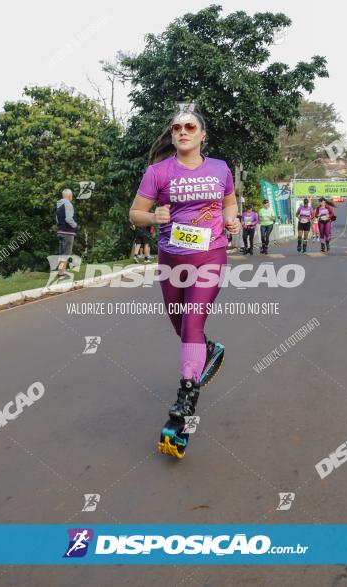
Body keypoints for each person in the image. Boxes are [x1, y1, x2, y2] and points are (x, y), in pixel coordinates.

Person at [128, 104, 236, 457]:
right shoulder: (157, 173)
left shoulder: (220, 169)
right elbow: (135, 214)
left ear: (202, 134)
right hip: (170, 258)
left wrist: (232, 220)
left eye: (190, 126)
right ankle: (209, 349)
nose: (183, 131)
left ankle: (185, 399)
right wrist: (151, 216)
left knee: (191, 323)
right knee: (180, 325)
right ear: (172, 136)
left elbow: (229, 203)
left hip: (210, 254)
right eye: (177, 128)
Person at [55, 188, 77, 278]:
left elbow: (57, 219)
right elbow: (68, 219)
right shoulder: (68, 204)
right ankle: (62, 273)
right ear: (69, 196)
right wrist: (75, 225)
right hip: (67, 232)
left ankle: (60, 271)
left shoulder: (59, 205)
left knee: (62, 254)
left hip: (60, 231)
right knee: (66, 254)